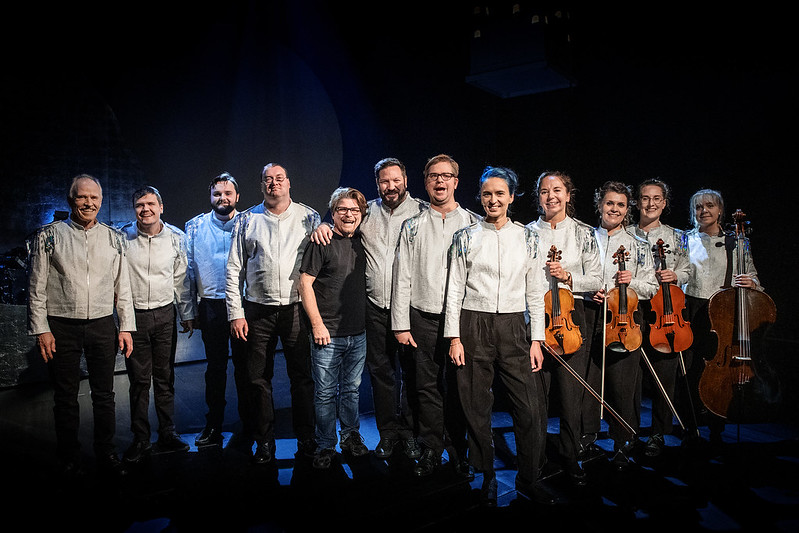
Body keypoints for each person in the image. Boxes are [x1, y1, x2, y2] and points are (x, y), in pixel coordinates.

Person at [445, 166, 553, 507]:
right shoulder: (465, 237)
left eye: (499, 194)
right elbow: (454, 290)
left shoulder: (528, 237)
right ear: (479, 196)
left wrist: (537, 339)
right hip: (473, 324)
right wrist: (454, 338)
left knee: (529, 408)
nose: (493, 200)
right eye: (487, 194)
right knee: (476, 405)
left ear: (511, 197)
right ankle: (487, 476)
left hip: (513, 326)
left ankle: (530, 477)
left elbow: (536, 292)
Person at [311, 158, 426, 460]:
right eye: (384, 181)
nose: (390, 186)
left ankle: (411, 433)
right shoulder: (367, 212)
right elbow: (339, 221)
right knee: (382, 374)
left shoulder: (423, 213)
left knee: (413, 375)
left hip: (412, 309)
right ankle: (388, 434)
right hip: (375, 308)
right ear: (377, 184)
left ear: (405, 180)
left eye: (395, 180)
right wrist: (322, 224)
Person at [26, 174, 135, 477]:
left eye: (94, 198)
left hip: (102, 323)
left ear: (101, 200)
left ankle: (107, 451)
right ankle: (69, 456)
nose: (88, 203)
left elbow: (122, 286)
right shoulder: (49, 235)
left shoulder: (114, 237)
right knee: (65, 396)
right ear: (70, 199)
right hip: (62, 325)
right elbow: (36, 286)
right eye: (82, 197)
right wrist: (41, 328)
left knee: (105, 394)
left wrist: (125, 326)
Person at [391, 154, 479, 478]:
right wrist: (400, 324)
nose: (439, 181)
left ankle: (459, 451)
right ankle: (431, 448)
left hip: (462, 319)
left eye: (445, 176)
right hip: (421, 317)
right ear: (425, 182)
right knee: (425, 386)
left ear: (456, 181)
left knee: (458, 389)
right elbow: (401, 277)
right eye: (432, 176)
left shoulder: (472, 224)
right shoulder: (411, 226)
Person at [226, 163, 320, 464]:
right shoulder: (246, 220)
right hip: (257, 310)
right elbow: (233, 269)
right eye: (268, 179)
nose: (273, 184)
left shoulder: (309, 216)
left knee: (302, 378)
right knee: (257, 379)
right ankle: (264, 441)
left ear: (288, 183)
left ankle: (306, 439)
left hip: (295, 308)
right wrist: (235, 313)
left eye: (279, 179)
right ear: (261, 185)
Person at [525, 171, 602, 486]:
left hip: (571, 317)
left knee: (572, 397)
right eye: (544, 191)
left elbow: (597, 278)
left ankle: (571, 456)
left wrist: (570, 277)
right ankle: (537, 459)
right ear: (539, 196)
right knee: (536, 398)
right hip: (535, 318)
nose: (551, 196)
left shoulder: (584, 233)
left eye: (557, 190)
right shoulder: (527, 233)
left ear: (569, 195)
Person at [584, 181, 657, 471]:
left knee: (622, 384)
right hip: (591, 314)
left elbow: (650, 286)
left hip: (625, 319)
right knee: (590, 381)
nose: (614, 209)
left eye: (621, 205)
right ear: (600, 204)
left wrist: (630, 283)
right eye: (609, 203)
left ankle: (622, 441)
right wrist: (591, 291)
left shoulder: (639, 245)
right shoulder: (587, 238)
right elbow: (579, 275)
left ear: (627, 210)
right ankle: (586, 437)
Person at [121, 186, 195, 464]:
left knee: (164, 378)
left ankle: (168, 433)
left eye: (151, 203)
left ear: (161, 207)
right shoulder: (122, 237)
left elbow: (181, 280)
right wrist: (123, 322)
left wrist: (187, 314)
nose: (145, 209)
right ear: (134, 209)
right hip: (135, 317)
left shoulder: (177, 238)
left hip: (165, 315)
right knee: (139, 382)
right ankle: (141, 439)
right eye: (140, 205)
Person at [682, 188, 762, 446]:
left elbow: (754, 278)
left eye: (709, 205)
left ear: (720, 210)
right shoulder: (685, 239)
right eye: (698, 206)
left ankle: (717, 426)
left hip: (723, 312)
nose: (704, 210)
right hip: (692, 307)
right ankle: (689, 427)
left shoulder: (737, 241)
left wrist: (750, 282)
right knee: (691, 371)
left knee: (720, 373)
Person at [299, 187, 369, 469]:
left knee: (352, 391)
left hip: (359, 332)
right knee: (325, 393)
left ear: (362, 214)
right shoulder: (322, 240)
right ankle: (325, 444)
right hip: (327, 334)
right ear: (333, 213)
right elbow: (305, 283)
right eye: (342, 210)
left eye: (354, 210)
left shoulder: (365, 240)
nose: (349, 215)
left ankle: (350, 437)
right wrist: (317, 325)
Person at [185, 172, 250, 448]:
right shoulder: (195, 227)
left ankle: (251, 424)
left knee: (247, 369)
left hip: (245, 305)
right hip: (211, 305)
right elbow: (187, 271)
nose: (222, 198)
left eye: (227, 194)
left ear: (237, 196)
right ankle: (214, 425)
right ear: (210, 197)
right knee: (215, 369)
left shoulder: (250, 221)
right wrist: (189, 310)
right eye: (217, 194)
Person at [630, 179, 691, 457]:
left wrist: (676, 275)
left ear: (664, 203)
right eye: (645, 198)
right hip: (631, 311)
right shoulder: (626, 234)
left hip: (666, 311)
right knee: (630, 375)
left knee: (664, 375)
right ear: (638, 202)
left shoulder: (677, 236)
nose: (650, 204)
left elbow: (689, 270)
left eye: (656, 199)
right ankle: (628, 431)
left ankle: (657, 432)